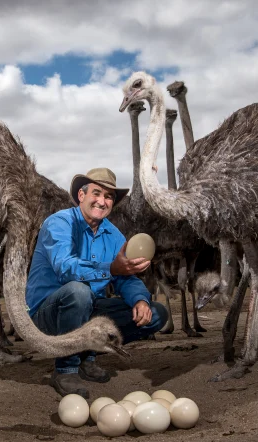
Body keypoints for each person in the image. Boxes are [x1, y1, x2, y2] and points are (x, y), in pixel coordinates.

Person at [26, 167, 167, 398]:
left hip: (88, 310)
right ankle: (66, 369)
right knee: (78, 292)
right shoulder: (59, 223)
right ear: (81, 196)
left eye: (109, 196)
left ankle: (86, 357)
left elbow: (125, 278)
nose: (102, 201)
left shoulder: (114, 236)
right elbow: (65, 268)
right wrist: (110, 268)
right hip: (47, 315)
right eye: (96, 193)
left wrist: (140, 300)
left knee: (156, 314)